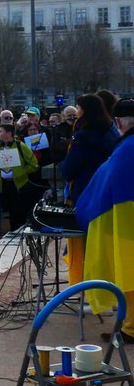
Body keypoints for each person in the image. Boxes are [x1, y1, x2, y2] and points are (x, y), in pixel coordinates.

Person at [75, 99, 134, 343]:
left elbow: (106, 182)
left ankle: (130, 329)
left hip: (126, 224)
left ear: (120, 123)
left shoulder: (127, 149)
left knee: (128, 271)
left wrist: (85, 206)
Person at [60, 93, 118, 285]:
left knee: (87, 247)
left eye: (78, 108)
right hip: (109, 196)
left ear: (84, 110)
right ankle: (111, 290)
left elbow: (69, 169)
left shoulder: (83, 137)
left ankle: (89, 291)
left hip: (85, 195)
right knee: (107, 247)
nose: (76, 112)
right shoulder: (112, 133)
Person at [0, 124, 38, 232]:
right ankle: (13, 231)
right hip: (4, 185)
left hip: (20, 185)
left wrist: (21, 173)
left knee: (20, 210)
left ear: (9, 133)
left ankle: (20, 231)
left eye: (0, 131)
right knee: (10, 211)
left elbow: (34, 164)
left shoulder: (20, 146)